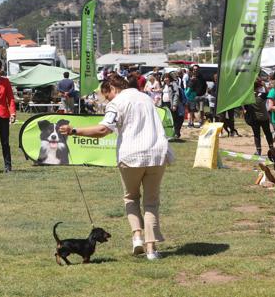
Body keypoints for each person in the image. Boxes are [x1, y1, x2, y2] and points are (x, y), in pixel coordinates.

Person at [59, 75, 174, 260]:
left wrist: (74, 131)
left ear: (112, 88)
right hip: (157, 153)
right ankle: (151, 250)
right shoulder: (146, 98)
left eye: (107, 95)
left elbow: (103, 129)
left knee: (131, 198)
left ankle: (137, 237)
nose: (108, 100)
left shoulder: (117, 102)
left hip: (131, 156)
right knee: (151, 202)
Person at [162, 73, 184, 139]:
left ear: (170, 78)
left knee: (174, 119)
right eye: (164, 78)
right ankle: (169, 133)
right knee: (167, 120)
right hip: (165, 104)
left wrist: (174, 105)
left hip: (171, 104)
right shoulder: (164, 85)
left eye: (167, 77)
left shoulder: (173, 84)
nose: (165, 79)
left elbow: (176, 95)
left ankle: (176, 134)